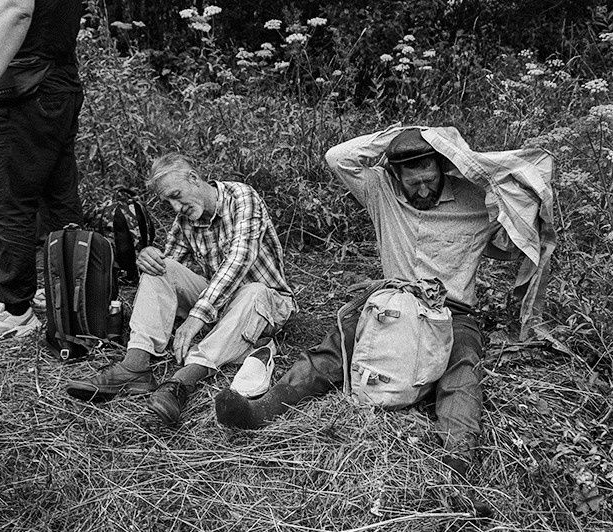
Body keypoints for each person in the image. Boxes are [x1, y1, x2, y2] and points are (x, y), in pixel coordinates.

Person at [215, 125, 556, 517]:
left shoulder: (476, 199)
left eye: (429, 175)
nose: (422, 188)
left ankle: (457, 469)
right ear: (395, 174)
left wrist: (464, 158)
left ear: (443, 168)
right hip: (390, 300)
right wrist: (412, 134)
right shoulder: (381, 191)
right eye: (412, 179)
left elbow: (519, 226)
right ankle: (265, 408)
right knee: (335, 348)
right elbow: (336, 157)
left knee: (462, 370)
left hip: (451, 311)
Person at [65, 153, 296, 428]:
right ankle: (134, 365)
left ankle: (181, 383)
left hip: (267, 301)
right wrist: (149, 258)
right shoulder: (185, 219)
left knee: (253, 291)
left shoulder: (242, 197)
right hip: (221, 303)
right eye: (168, 202)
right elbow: (170, 272)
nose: (175, 207)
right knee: (160, 268)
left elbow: (239, 260)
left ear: (193, 178)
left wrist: (196, 317)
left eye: (177, 195)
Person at [0, 0, 84, 342]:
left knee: (6, 200)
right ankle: (71, 297)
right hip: (58, 82)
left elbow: (16, 9)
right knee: (58, 198)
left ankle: (15, 311)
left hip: (27, 86)